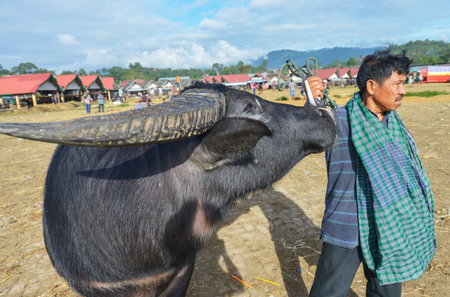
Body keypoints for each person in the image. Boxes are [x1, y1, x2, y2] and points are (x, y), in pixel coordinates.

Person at [308, 50, 436, 297]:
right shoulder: (337, 121)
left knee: (385, 291)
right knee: (329, 292)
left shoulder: (394, 124)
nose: (403, 90)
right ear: (372, 86)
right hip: (347, 225)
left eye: (403, 83)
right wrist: (312, 103)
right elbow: (307, 132)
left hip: (390, 224)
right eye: (397, 83)